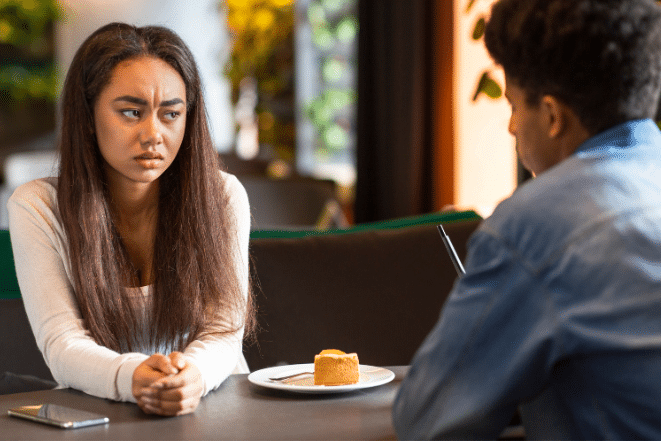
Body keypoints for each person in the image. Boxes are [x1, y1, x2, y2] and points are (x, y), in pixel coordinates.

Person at [392, 0, 661, 438]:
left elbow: (425, 422)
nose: (512, 126)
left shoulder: (535, 224)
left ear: (553, 116)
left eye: (514, 105)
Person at [7, 22, 254, 417]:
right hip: (102, 413)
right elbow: (62, 343)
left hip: (213, 406)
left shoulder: (223, 196)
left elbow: (224, 332)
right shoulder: (37, 206)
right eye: (131, 112)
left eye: (171, 113)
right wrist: (133, 376)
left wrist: (193, 375)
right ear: (87, 116)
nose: (153, 134)